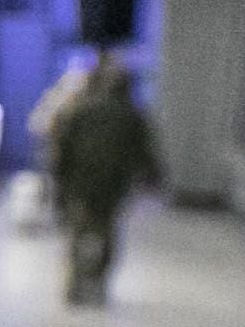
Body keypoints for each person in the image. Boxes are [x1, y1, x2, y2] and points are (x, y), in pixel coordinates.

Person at [43, 53, 166, 305]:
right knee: (107, 231)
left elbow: (60, 147)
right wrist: (154, 178)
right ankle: (97, 281)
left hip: (80, 181)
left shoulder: (77, 109)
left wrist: (57, 177)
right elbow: (144, 151)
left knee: (78, 231)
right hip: (113, 184)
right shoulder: (132, 115)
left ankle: (75, 282)